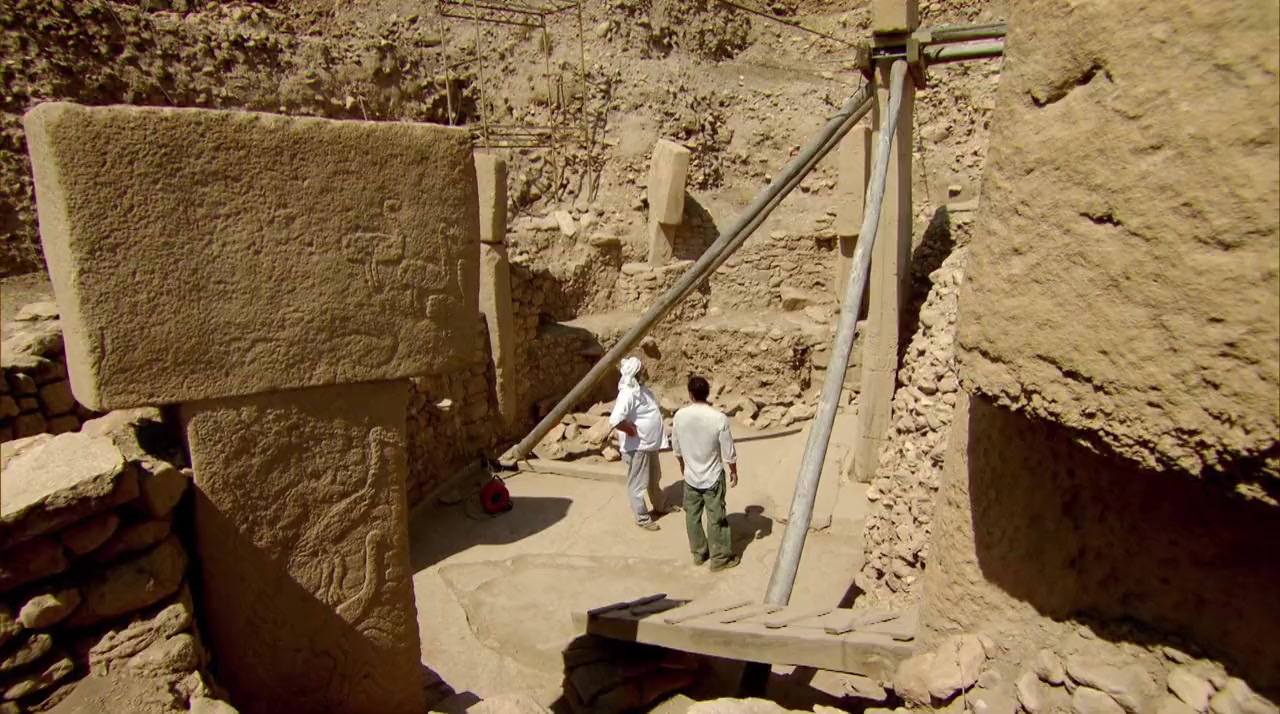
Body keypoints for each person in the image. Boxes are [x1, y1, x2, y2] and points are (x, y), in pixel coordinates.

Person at [671, 374, 740, 571]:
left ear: (690, 394)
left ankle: (699, 553)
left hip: (691, 477)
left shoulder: (680, 416)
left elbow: (676, 446)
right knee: (716, 517)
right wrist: (733, 471)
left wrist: (682, 465)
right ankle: (719, 559)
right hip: (713, 477)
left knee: (692, 516)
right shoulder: (718, 418)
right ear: (708, 393)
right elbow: (728, 450)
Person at [609, 357, 676, 531]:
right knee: (638, 484)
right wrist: (630, 431)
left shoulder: (643, 390)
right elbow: (615, 419)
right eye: (643, 370)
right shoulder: (627, 394)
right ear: (636, 373)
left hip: (649, 444)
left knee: (654, 478)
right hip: (638, 447)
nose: (646, 371)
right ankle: (642, 518)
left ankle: (660, 505)